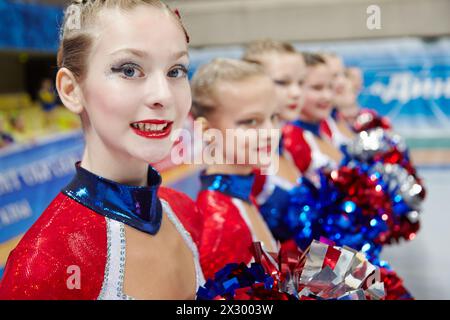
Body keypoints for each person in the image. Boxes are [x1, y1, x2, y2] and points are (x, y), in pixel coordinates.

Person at [0, 0, 204, 300]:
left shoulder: (187, 212)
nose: (163, 95)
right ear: (71, 90)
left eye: (176, 70)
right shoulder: (42, 264)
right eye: (129, 70)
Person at [190, 58, 280, 280]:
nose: (270, 132)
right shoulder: (220, 224)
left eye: (273, 117)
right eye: (251, 121)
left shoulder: (242, 193)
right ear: (207, 129)